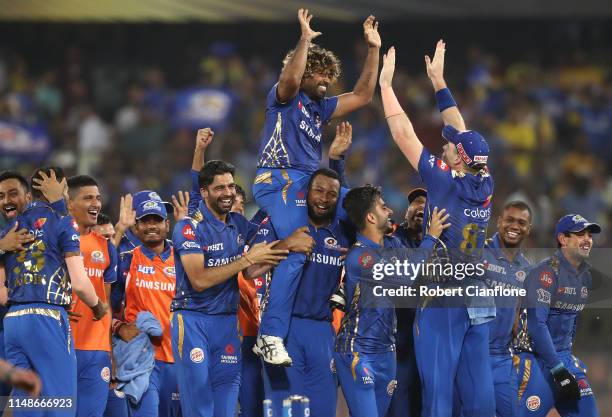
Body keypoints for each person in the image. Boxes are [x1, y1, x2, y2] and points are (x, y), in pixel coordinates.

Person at [253, 8, 381, 364]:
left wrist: (373, 49)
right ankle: (270, 335)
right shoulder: (284, 97)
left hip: (308, 184)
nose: (325, 79)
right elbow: (291, 79)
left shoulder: (320, 109)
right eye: (318, 72)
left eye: (329, 74)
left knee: (364, 214)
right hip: (278, 179)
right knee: (300, 247)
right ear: (303, 70)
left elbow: (363, 95)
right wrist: (304, 42)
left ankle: (343, 287)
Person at [379, 41, 495, 416]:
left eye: (449, 147)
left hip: (443, 299)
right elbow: (460, 130)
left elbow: (403, 135)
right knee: (477, 397)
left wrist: (385, 87)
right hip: (477, 296)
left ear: (458, 159)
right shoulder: (485, 181)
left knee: (438, 396)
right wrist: (439, 82)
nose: (443, 145)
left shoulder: (444, 182)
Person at [170, 160, 292, 417]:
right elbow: (199, 280)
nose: (228, 193)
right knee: (200, 406)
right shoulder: (188, 227)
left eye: (231, 187)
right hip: (193, 321)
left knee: (225, 405)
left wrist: (289, 246)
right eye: (220, 188)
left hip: (227, 324)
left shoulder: (238, 223)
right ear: (204, 191)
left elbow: (251, 270)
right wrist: (247, 258)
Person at [0, 166, 107, 417]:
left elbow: (2, 294)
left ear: (30, 193)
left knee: (28, 399)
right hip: (47, 317)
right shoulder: (63, 221)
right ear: (63, 189)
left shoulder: (10, 229)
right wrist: (97, 306)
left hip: (13, 321)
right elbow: (80, 283)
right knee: (61, 402)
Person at [335, 185, 448, 417]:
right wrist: (432, 237)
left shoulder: (392, 245)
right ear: (370, 216)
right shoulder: (361, 257)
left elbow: (413, 249)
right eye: (383, 207)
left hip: (388, 353)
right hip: (358, 351)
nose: (389, 211)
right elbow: (408, 274)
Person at [516, 214, 601, 416]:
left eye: (589, 235)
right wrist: (558, 369)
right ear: (563, 239)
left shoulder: (585, 278)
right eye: (580, 234)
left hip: (564, 359)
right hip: (537, 360)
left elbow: (572, 321)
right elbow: (537, 324)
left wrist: (567, 360)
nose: (588, 239)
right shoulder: (544, 273)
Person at [114, 195, 180, 417]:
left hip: (180, 358)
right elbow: (102, 300)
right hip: (142, 361)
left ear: (167, 225)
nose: (152, 226)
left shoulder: (184, 259)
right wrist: (117, 327)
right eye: (145, 220)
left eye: (157, 220)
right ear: (136, 226)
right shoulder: (125, 260)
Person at [67, 175, 118, 417]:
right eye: (88, 198)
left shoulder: (107, 247)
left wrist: (110, 353)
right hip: (61, 343)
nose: (96, 203)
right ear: (69, 204)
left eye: (97, 198)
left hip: (97, 348)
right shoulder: (56, 239)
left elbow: (105, 303)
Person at [481, 201, 532, 417]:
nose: (515, 226)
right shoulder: (479, 252)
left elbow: (518, 313)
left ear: (528, 228)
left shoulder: (527, 269)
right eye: (509, 220)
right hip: (474, 355)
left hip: (503, 358)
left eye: (521, 222)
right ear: (499, 221)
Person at [387, 187, 427, 417]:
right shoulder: (392, 241)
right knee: (399, 405)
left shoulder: (445, 247)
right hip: (399, 343)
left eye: (426, 203)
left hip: (430, 344)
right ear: (406, 213)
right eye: (415, 203)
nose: (420, 206)